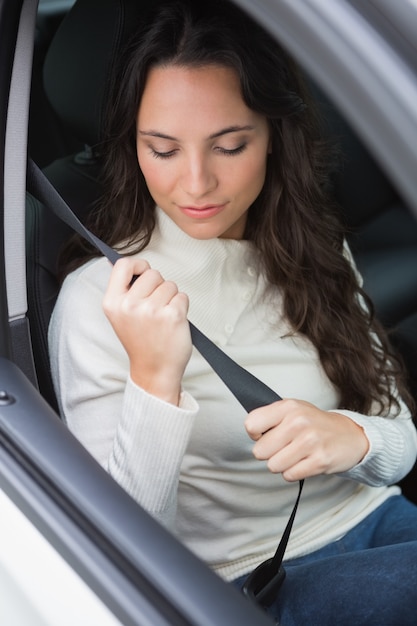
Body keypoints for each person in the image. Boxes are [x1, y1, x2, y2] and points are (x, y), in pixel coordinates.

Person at [48, 1, 417, 623]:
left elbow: (401, 432)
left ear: (274, 136)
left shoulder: (312, 244)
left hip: (381, 515)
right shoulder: (103, 298)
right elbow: (121, 554)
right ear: (132, 148)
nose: (195, 184)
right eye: (162, 149)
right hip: (257, 579)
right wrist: (153, 378)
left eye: (229, 145)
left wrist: (353, 438)